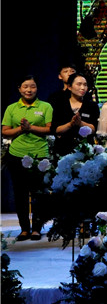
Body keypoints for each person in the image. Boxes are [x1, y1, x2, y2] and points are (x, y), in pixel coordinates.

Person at [2, 75, 53, 241]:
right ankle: (24, 229)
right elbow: (5, 131)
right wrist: (20, 129)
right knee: (20, 193)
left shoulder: (45, 106)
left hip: (40, 154)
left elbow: (50, 129)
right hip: (17, 154)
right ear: (19, 89)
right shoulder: (12, 108)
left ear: (37, 88)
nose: (29, 90)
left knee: (39, 193)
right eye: (25, 87)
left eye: (32, 86)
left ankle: (37, 228)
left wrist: (31, 128)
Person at [51, 73, 100, 157]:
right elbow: (56, 129)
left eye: (85, 85)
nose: (82, 88)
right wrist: (70, 124)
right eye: (79, 84)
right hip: (64, 150)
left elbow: (94, 129)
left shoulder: (92, 106)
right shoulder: (60, 105)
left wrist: (80, 123)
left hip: (86, 151)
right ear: (69, 87)